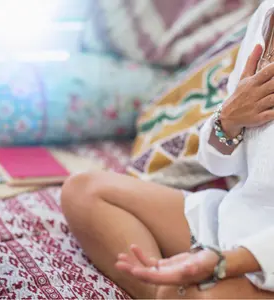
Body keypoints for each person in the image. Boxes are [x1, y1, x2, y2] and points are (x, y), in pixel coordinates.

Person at [61, 1, 274, 299]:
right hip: (235, 219)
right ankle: (166, 291)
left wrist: (228, 262)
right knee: (84, 190)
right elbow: (220, 165)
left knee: (204, 297)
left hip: (266, 252)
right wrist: (229, 121)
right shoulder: (265, 16)